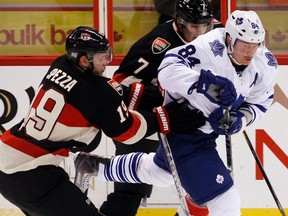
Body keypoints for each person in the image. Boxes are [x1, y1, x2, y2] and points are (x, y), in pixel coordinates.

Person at [74, 10, 278, 216]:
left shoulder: (264, 62)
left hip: (207, 134)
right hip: (184, 127)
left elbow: (262, 100)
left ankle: (94, 166)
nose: (250, 52)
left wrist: (240, 119)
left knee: (160, 172)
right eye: (244, 45)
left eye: (255, 45)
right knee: (225, 199)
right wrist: (204, 84)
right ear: (229, 38)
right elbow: (167, 69)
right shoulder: (207, 47)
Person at [0, 26, 206, 216]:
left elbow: (100, 90)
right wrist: (168, 118)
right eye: (102, 57)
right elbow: (129, 131)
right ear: (83, 60)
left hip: (7, 160)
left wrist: (138, 94)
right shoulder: (99, 93)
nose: (107, 60)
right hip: (32, 176)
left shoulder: (60, 64)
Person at [100, 0, 214, 215]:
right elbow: (119, 83)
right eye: (194, 27)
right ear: (179, 22)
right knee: (131, 192)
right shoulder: (159, 43)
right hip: (139, 123)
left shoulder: (209, 39)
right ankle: (94, 166)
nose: (200, 33)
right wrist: (158, 97)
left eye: (204, 26)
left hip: (178, 123)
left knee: (203, 189)